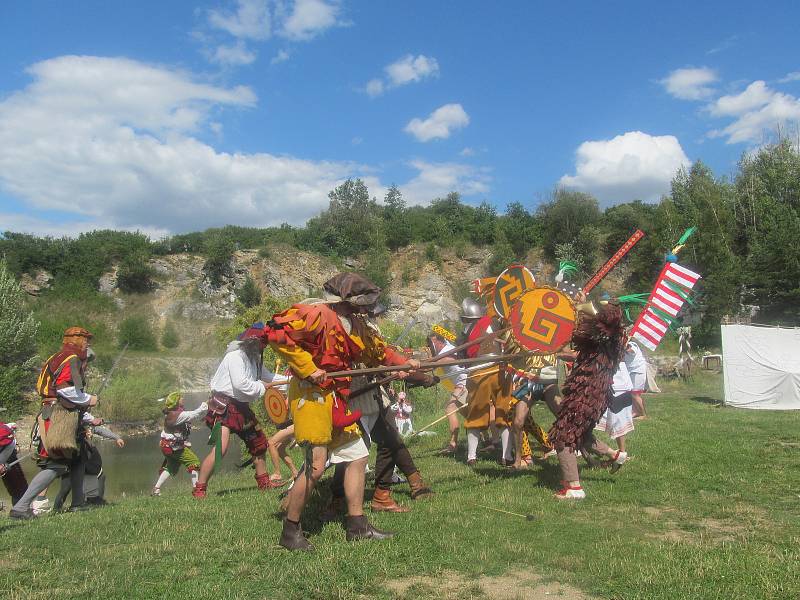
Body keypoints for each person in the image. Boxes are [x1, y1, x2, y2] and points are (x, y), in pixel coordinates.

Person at [266, 273, 420, 551]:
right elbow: (275, 332)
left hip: (337, 397)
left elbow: (378, 352)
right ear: (345, 300)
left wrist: (404, 363)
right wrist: (308, 367)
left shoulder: (357, 324)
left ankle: (357, 526)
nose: (364, 309)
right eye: (360, 303)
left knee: (358, 455)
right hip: (311, 397)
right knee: (316, 464)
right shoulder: (315, 314)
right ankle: (290, 533)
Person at [11, 327, 98, 519]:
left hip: (57, 412)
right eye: (86, 340)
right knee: (55, 464)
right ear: (76, 340)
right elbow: (65, 389)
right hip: (58, 415)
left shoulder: (58, 356)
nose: (88, 343)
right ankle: (21, 507)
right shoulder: (71, 358)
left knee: (77, 459)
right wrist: (88, 399)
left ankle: (77, 503)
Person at [548, 303, 628, 500]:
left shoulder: (604, 339)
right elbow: (579, 348)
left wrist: (580, 310)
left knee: (564, 435)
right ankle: (615, 455)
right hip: (595, 397)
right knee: (581, 434)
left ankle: (574, 488)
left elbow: (581, 336)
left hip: (586, 396)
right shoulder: (610, 343)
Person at [193, 326, 273, 498]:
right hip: (223, 406)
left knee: (258, 444)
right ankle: (199, 489)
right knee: (221, 448)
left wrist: (294, 378)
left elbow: (269, 377)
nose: (264, 347)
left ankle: (264, 483)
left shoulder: (254, 359)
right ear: (252, 342)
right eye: (262, 343)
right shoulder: (235, 357)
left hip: (241, 408)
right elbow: (240, 384)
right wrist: (261, 387)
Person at [459, 299, 514, 467]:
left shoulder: (466, 331)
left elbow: (462, 358)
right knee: (504, 411)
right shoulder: (497, 323)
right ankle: (507, 456)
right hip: (502, 370)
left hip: (479, 371)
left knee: (475, 411)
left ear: (468, 318)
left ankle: (471, 456)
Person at [53, 421, 124, 510]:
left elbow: (100, 430)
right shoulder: (71, 426)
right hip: (73, 462)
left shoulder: (87, 425)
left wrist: (116, 438)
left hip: (88, 464)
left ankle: (96, 502)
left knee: (101, 476)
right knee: (66, 487)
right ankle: (57, 509)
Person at [152, 391, 208, 496]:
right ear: (176, 402)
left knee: (171, 467)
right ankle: (197, 490)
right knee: (193, 462)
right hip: (174, 447)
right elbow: (195, 414)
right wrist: (205, 405)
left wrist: (183, 442)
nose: (183, 398)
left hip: (167, 446)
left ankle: (156, 489)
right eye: (180, 398)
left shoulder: (171, 413)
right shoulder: (177, 415)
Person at [428, 333, 468, 456]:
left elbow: (432, 365)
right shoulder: (448, 350)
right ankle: (487, 439)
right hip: (464, 382)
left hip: (465, 383)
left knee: (450, 408)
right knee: (467, 412)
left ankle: (453, 444)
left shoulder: (447, 352)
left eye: (432, 344)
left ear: (439, 342)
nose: (430, 347)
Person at [595, 362, 634, 471]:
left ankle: (620, 454)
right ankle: (621, 454)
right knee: (618, 420)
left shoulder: (615, 346)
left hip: (614, 382)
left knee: (618, 420)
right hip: (613, 381)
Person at [0, 422, 28, 506]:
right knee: (19, 489)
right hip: (6, 457)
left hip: (9, 457)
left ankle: (19, 510)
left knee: (20, 489)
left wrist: (9, 426)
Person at [625, 339, 648, 418]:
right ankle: (636, 411)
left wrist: (625, 347)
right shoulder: (621, 348)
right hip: (630, 371)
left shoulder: (632, 344)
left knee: (635, 394)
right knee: (632, 393)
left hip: (638, 371)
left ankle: (643, 414)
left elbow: (631, 350)